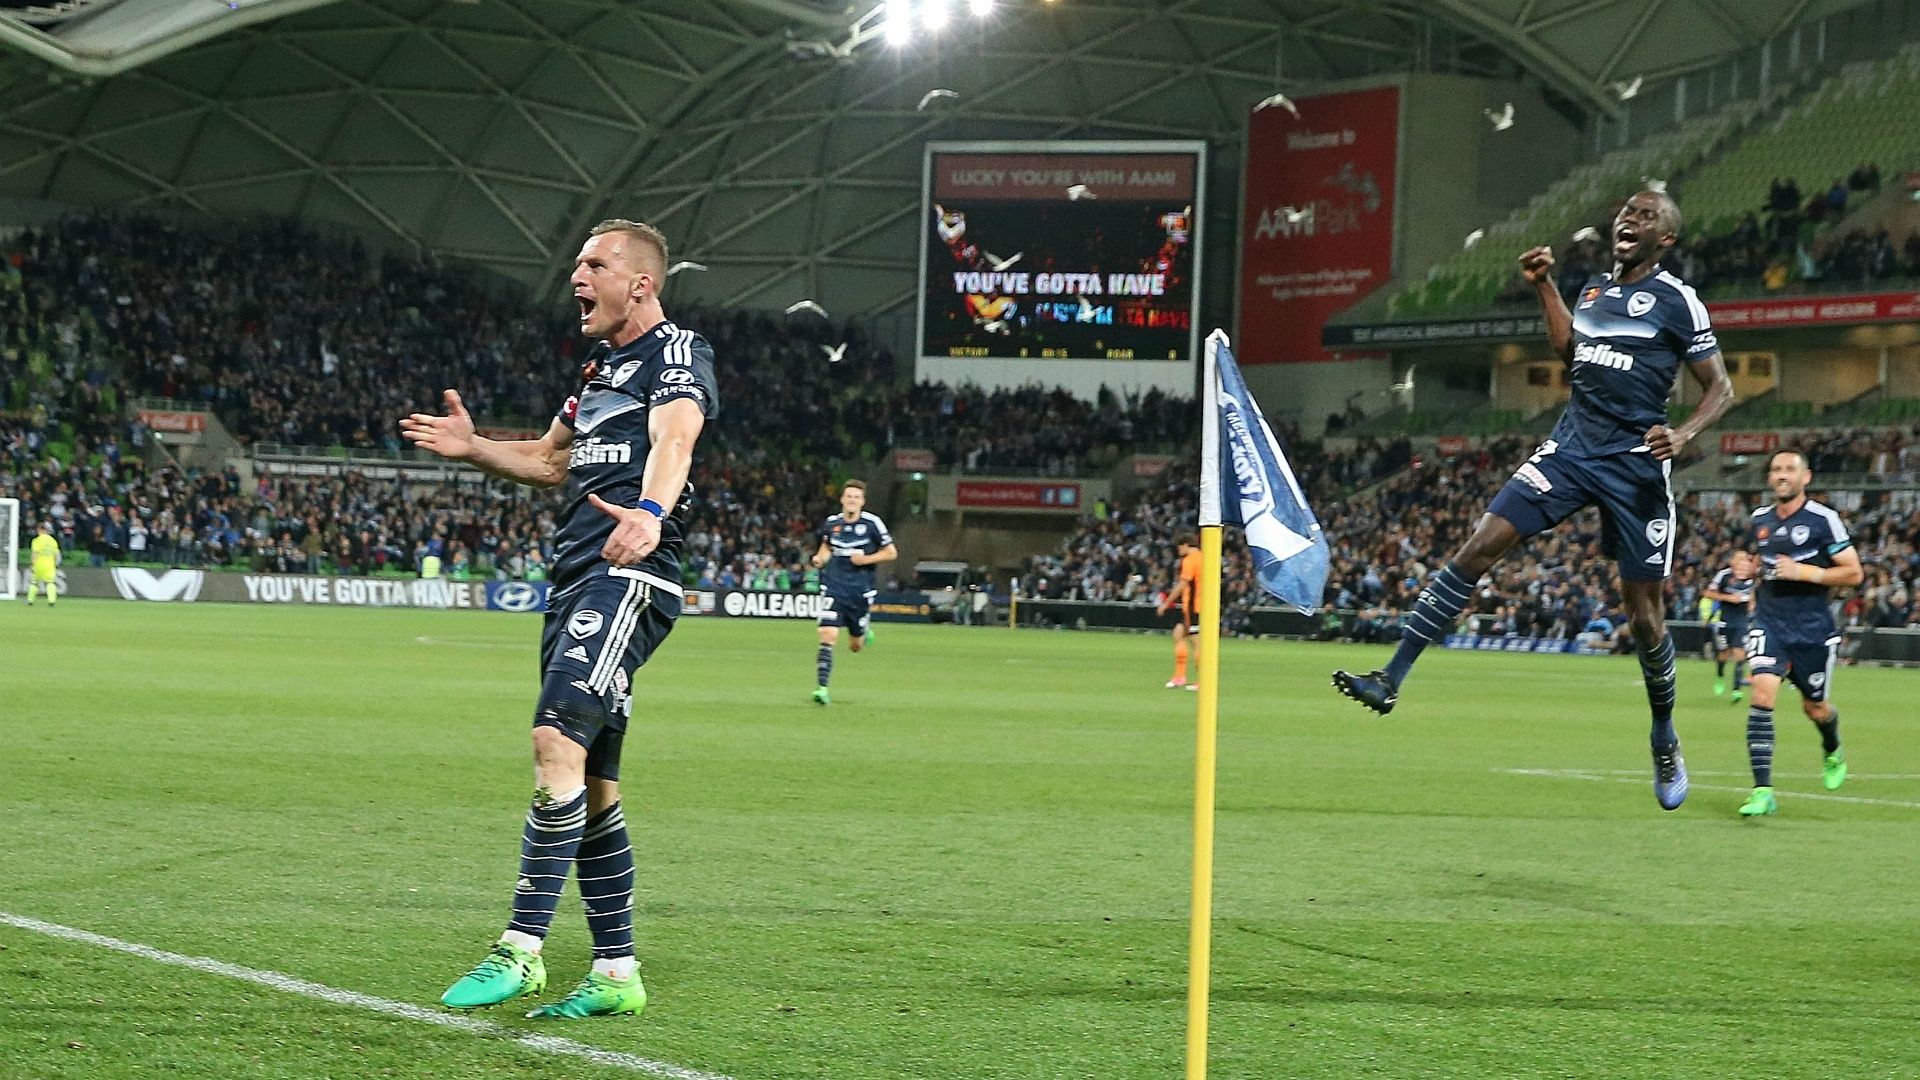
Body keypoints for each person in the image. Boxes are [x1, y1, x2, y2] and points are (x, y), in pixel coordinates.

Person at [399, 218, 719, 1018]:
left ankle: (521, 948)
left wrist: (651, 512)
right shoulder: (598, 371)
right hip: (574, 583)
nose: (576, 276)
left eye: (594, 263)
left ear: (640, 283)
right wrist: (475, 448)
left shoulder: (676, 352)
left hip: (629, 576)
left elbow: (676, 437)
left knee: (553, 740)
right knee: (592, 785)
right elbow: (548, 461)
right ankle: (616, 973)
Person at [1333, 189, 1735, 812]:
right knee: (1479, 546)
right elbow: (1571, 353)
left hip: (1634, 467)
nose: (1629, 219)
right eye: (1627, 211)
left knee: (1644, 616)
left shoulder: (1678, 301)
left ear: (1666, 240)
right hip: (1571, 449)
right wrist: (1545, 286)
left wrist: (1682, 435)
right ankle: (1391, 678)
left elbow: (1721, 388)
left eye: (1646, 215)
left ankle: (1663, 735)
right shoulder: (1594, 291)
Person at [1737, 450, 1864, 817]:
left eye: (1789, 469)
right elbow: (1748, 559)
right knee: (1762, 694)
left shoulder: (1824, 520)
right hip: (1769, 622)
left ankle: (1832, 747)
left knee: (1815, 707)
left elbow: (1854, 573)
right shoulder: (1759, 519)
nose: (1782, 475)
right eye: (1776, 469)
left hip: (1812, 629)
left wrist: (1806, 572)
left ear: (1805, 477)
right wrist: (1745, 567)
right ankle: (1762, 791)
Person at [808, 479, 896, 705]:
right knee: (827, 635)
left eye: (856, 497)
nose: (852, 500)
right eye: (849, 496)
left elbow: (890, 552)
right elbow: (827, 546)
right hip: (833, 587)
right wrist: (819, 559)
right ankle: (822, 688)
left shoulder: (872, 524)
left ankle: (863, 631)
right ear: (842, 499)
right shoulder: (832, 523)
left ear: (862, 501)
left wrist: (865, 559)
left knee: (855, 646)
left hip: (859, 591)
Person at [1703, 551, 1758, 701]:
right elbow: (1708, 593)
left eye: (1745, 559)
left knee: (1740, 654)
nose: (1743, 562)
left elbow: (1755, 595)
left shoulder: (1752, 577)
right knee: (1723, 655)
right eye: (1739, 559)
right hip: (1724, 621)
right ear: (1733, 561)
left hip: (1742, 622)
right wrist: (1728, 598)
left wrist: (1753, 603)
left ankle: (1736, 690)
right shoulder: (1723, 575)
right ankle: (1720, 676)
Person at [1156, 534, 1202, 690]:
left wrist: (1166, 603)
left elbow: (1183, 584)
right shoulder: (1204, 557)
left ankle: (1203, 680)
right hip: (1199, 605)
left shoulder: (1189, 560)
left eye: (1179, 547)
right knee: (1178, 634)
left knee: (1196, 642)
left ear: (1186, 545)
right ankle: (1179, 677)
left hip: (1194, 607)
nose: (1178, 551)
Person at [25, 521, 60, 607]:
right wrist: (55, 563)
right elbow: (56, 554)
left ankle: (30, 601)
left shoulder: (37, 540)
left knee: (34, 582)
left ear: (39, 530)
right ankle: (52, 601)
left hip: (39, 565)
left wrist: (33, 564)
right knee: (50, 583)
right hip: (50, 565)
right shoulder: (52, 540)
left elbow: (35, 553)